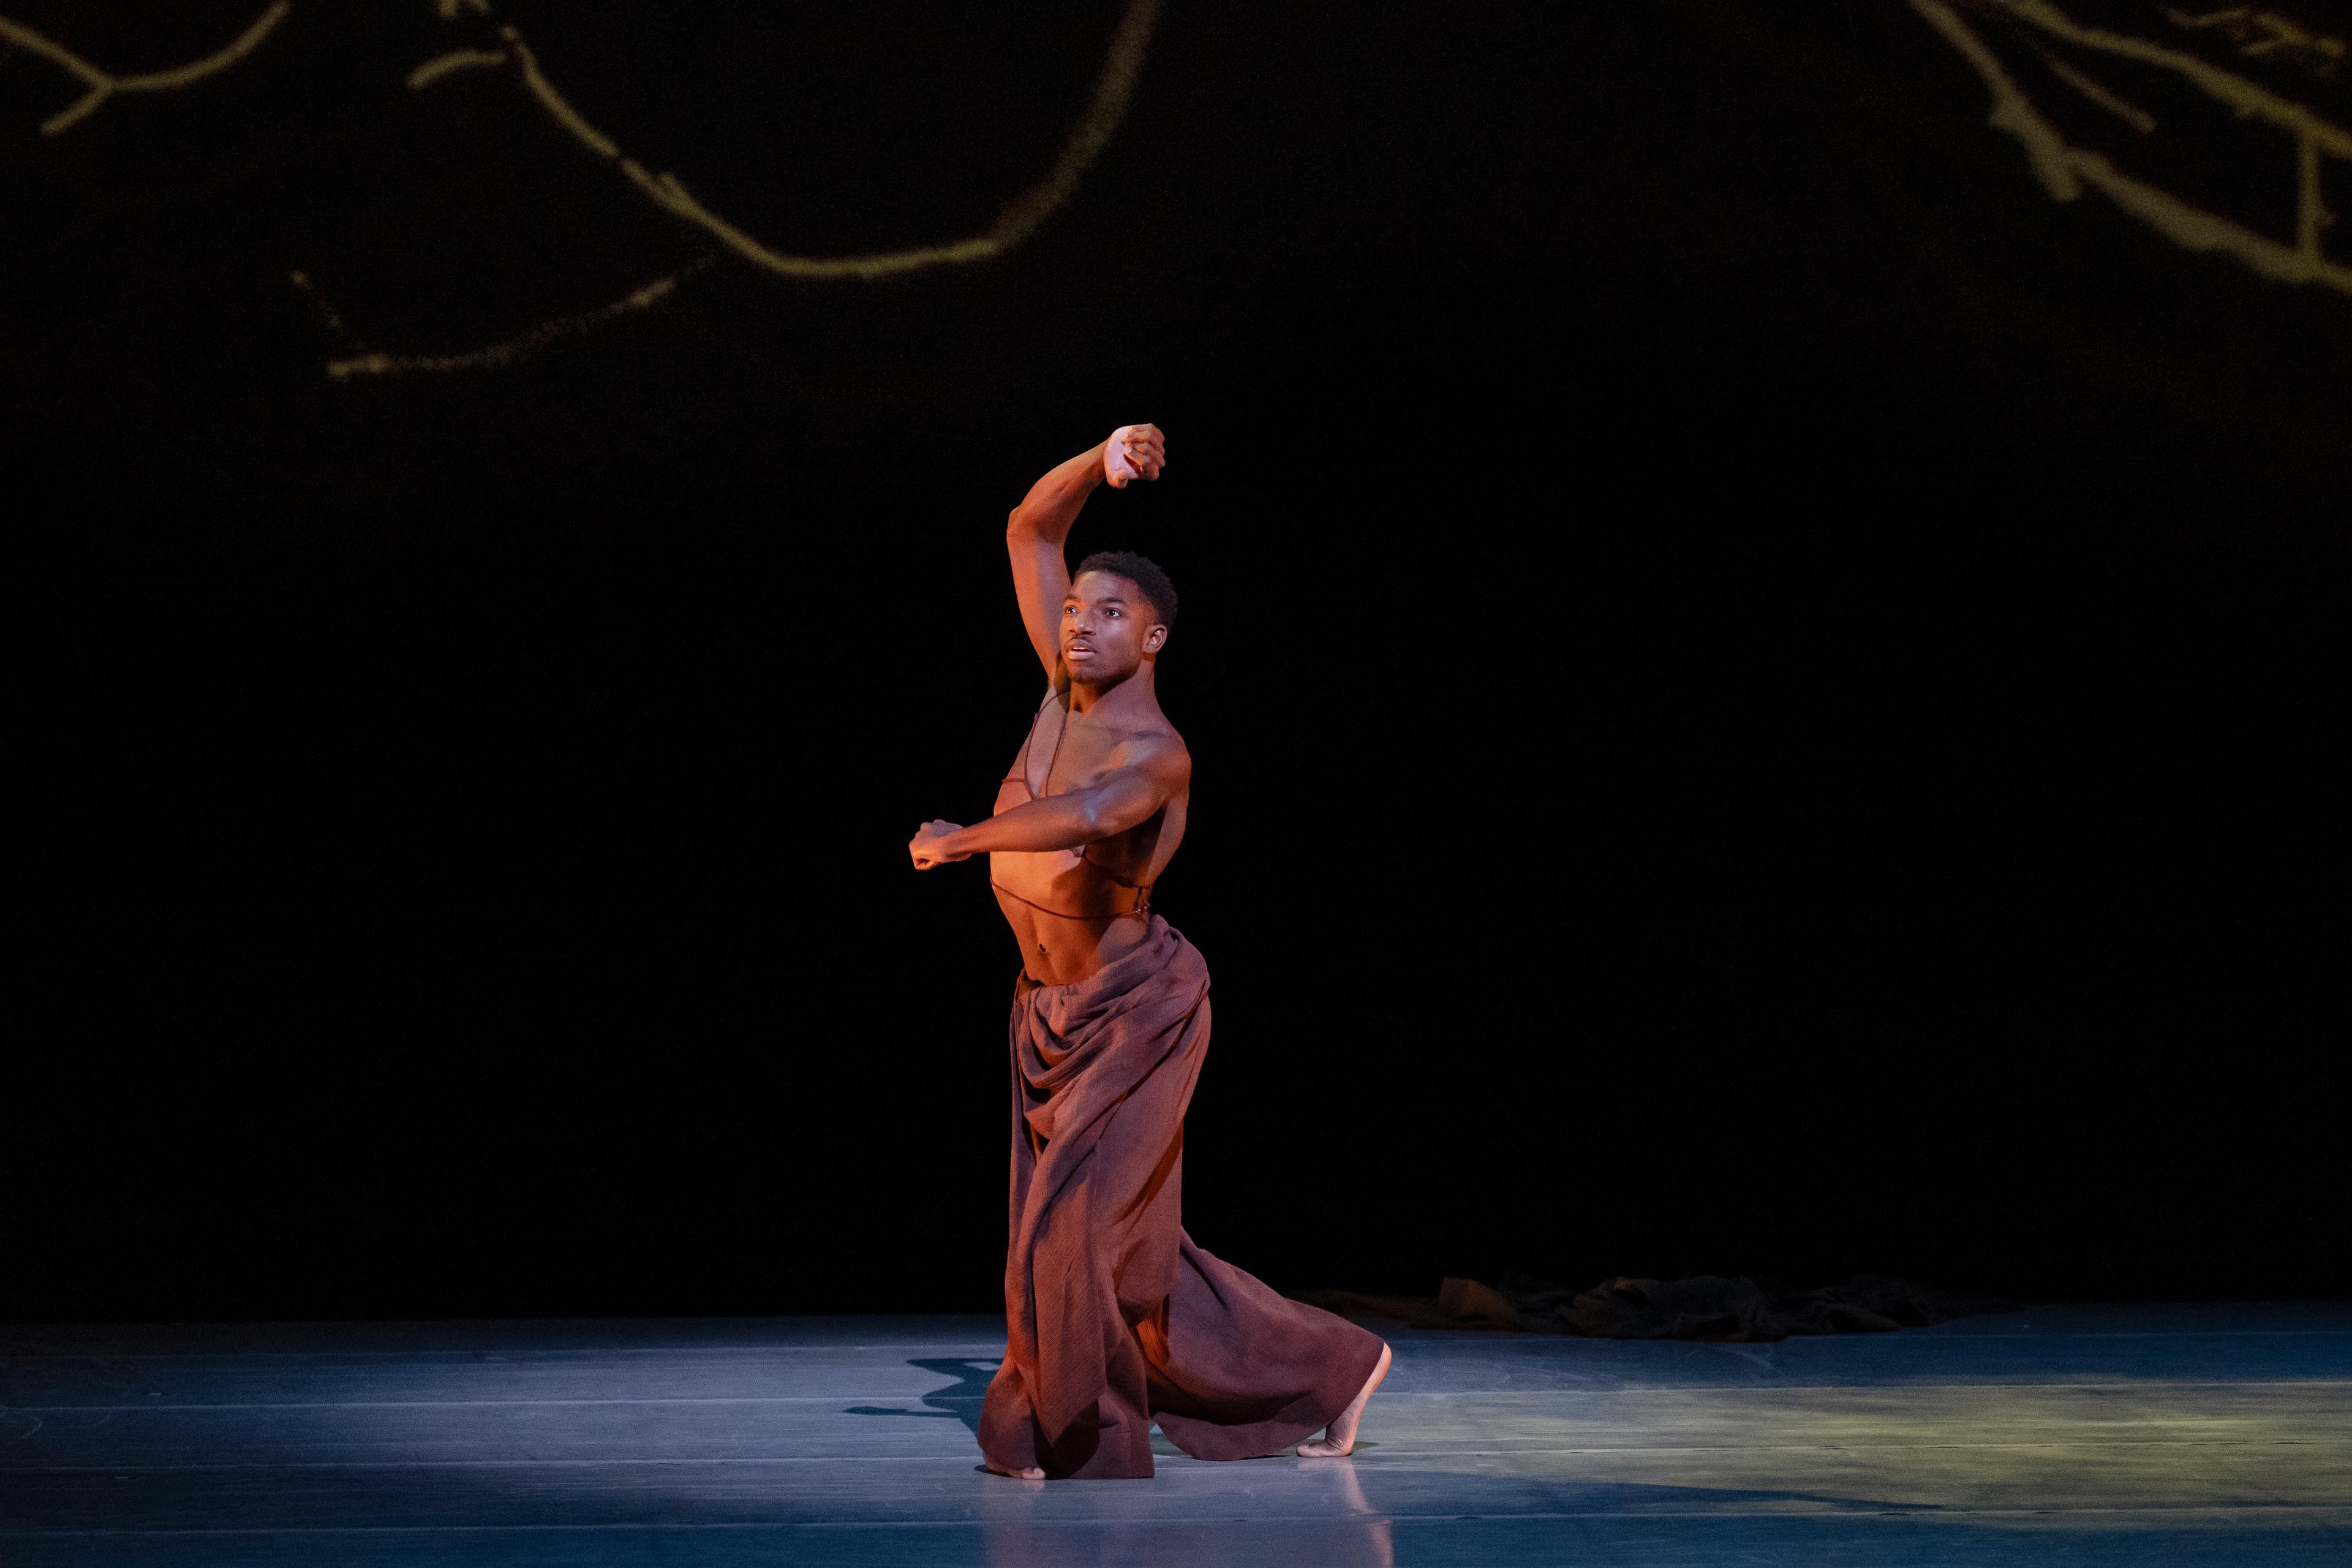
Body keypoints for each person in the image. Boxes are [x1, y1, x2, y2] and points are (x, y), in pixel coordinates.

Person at [908, 424, 1392, 1480]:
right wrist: (1099, 459)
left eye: (1109, 614)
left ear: (1156, 638)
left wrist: (963, 840)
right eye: (1075, 610)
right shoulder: (1055, 681)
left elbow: (1082, 815)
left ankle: (1065, 1432)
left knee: (1062, 1236)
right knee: (1130, 1250)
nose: (1080, 625)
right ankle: (1336, 1366)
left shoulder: (1156, 754)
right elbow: (1030, 527)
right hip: (1048, 1014)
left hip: (1139, 1013)